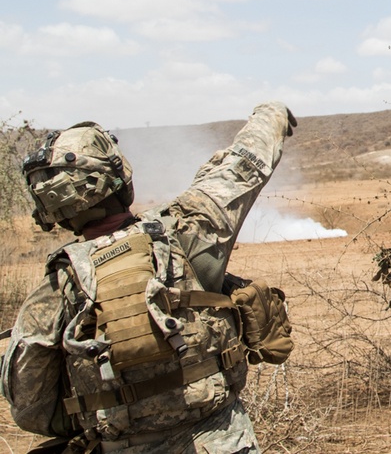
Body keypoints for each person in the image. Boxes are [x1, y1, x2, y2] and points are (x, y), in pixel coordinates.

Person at [1, 101, 296, 454]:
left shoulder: (56, 288)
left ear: (53, 210)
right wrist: (271, 113)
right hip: (221, 440)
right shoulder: (189, 228)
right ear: (118, 177)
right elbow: (244, 164)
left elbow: (31, 408)